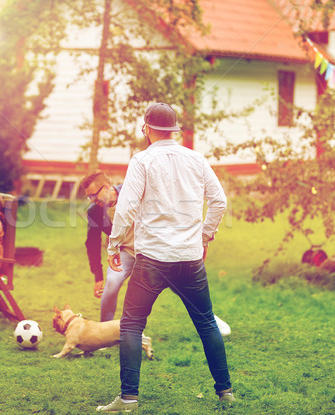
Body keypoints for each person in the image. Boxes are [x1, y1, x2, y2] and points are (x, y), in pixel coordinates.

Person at [96, 103, 234, 412]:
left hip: (153, 260)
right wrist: (204, 236)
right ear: (174, 130)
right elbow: (219, 202)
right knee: (207, 323)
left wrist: (113, 245)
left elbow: (127, 207)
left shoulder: (142, 160)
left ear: (146, 128)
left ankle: (129, 398)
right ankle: (226, 392)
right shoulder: (196, 158)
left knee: (131, 325)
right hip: (190, 259)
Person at [82, 171, 135, 322]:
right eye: (89, 197)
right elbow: (92, 243)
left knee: (180, 284)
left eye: (93, 195)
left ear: (106, 187)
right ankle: (104, 331)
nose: (92, 201)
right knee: (111, 282)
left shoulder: (131, 192)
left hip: (150, 251)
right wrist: (98, 276)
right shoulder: (95, 211)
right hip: (126, 253)